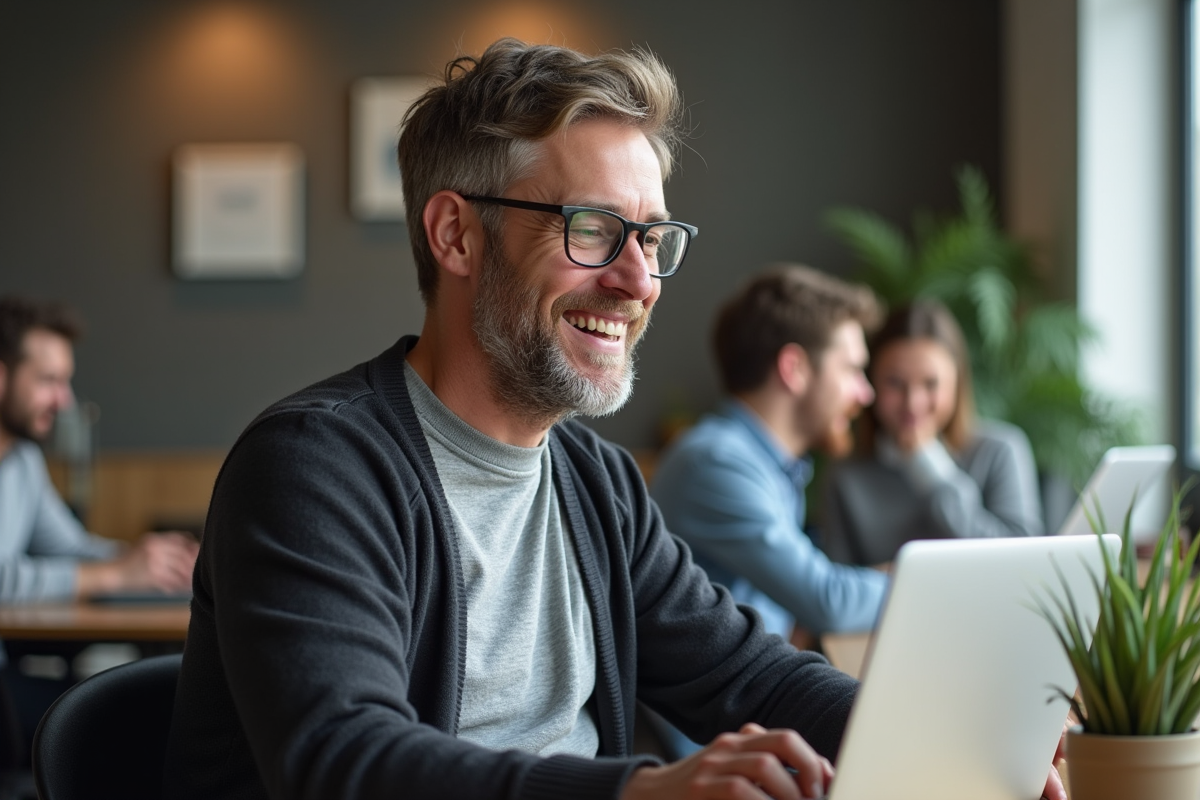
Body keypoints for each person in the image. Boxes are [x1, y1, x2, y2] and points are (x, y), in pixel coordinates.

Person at [163, 39, 1067, 800]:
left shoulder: (592, 481)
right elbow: (341, 761)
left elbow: (743, 673)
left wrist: (955, 744)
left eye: (653, 237)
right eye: (592, 228)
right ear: (457, 236)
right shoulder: (315, 466)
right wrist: (636, 791)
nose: (638, 281)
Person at [651, 264, 890, 644]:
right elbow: (827, 600)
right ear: (794, 369)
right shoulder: (717, 462)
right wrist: (930, 585)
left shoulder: (767, 464)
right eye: (852, 371)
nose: (866, 394)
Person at [0, 295, 199, 602]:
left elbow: (70, 548)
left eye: (65, 382)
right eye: (49, 380)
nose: (64, 401)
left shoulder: (22, 459)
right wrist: (116, 575)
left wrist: (156, 561)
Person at [819, 298, 1044, 566]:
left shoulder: (1000, 450)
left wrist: (930, 468)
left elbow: (1023, 561)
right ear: (871, 383)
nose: (913, 403)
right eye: (894, 383)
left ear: (957, 383)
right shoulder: (846, 475)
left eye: (931, 383)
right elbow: (838, 584)